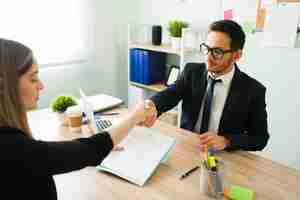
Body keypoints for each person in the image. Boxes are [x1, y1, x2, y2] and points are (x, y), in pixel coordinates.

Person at [0, 38, 150, 200]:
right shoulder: (12, 148)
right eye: (33, 78)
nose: (41, 86)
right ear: (6, 85)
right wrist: (135, 116)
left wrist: (107, 141)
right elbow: (89, 151)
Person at [142, 20, 269, 152]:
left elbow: (260, 139)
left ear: (237, 55)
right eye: (207, 49)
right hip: (189, 146)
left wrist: (227, 141)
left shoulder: (253, 90)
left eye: (217, 52)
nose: (208, 58)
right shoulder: (192, 71)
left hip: (224, 156)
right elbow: (170, 95)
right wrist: (152, 105)